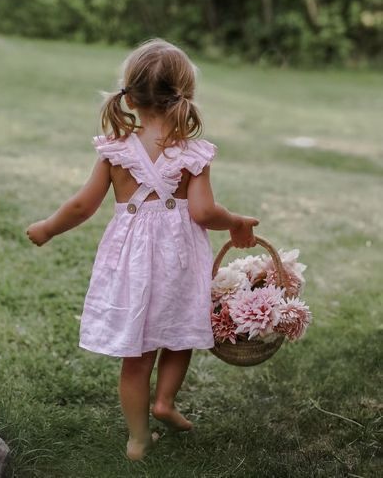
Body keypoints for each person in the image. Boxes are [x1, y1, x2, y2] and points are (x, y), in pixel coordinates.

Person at [26, 39, 259, 460]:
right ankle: (165, 401)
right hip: (179, 261)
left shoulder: (114, 149)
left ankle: (137, 438)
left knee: (136, 355)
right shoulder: (193, 153)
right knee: (178, 334)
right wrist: (237, 223)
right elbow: (204, 212)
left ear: (129, 97)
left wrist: (48, 228)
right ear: (183, 96)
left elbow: (83, 205)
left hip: (131, 259)